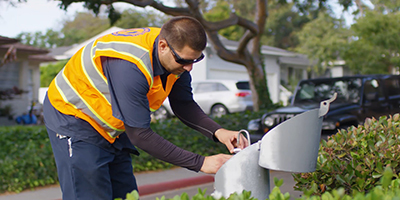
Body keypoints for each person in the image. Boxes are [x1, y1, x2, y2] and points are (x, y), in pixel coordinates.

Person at [43, 16, 249, 200]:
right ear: (162, 46)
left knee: (126, 194)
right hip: (73, 117)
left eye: (195, 59)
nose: (189, 68)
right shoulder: (130, 67)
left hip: (113, 125)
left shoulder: (174, 56)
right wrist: (201, 163)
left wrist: (218, 132)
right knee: (91, 194)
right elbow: (140, 135)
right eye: (184, 61)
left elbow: (183, 104)